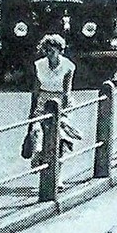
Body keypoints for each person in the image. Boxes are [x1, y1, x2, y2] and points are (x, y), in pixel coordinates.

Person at [29, 35, 79, 169]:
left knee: (59, 137)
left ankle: (58, 175)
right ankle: (37, 154)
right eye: (47, 50)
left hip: (60, 101)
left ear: (60, 51)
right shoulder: (39, 65)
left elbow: (67, 91)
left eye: (52, 51)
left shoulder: (68, 66)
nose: (49, 54)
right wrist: (34, 113)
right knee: (36, 130)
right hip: (43, 100)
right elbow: (36, 90)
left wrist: (62, 116)